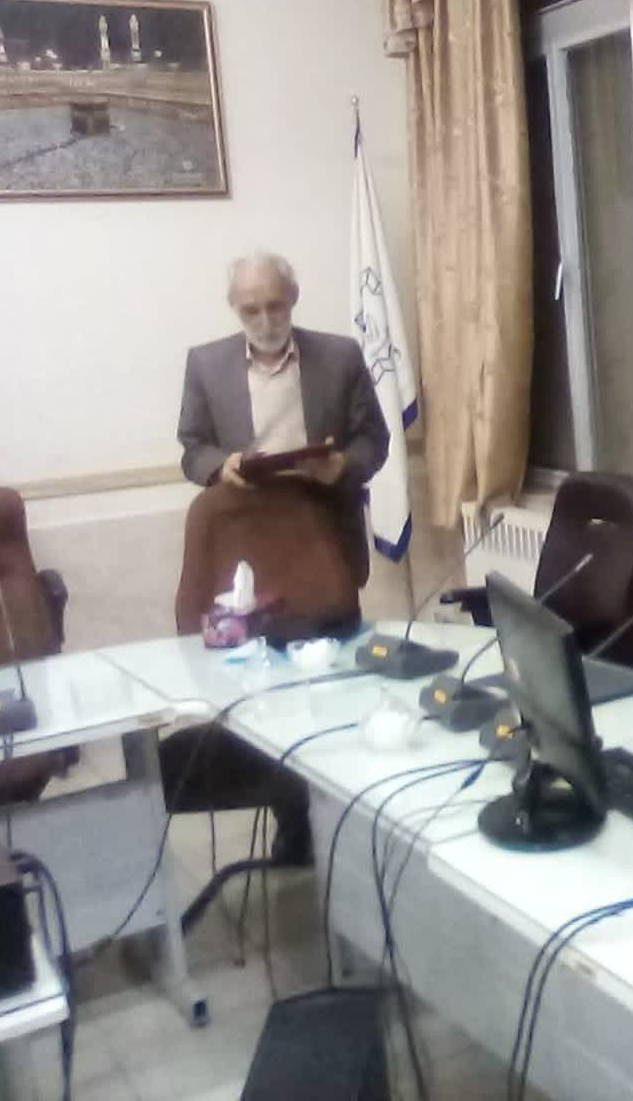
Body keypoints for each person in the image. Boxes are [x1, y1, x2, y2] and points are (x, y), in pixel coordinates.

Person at [167, 251, 390, 864]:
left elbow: (374, 439)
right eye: (251, 310)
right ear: (234, 308)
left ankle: (345, 818)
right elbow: (191, 448)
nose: (265, 321)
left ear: (293, 298)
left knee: (333, 682)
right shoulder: (206, 363)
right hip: (247, 538)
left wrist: (341, 465)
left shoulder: (339, 356)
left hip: (321, 530)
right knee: (264, 694)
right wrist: (221, 466)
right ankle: (293, 821)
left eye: (275, 306)